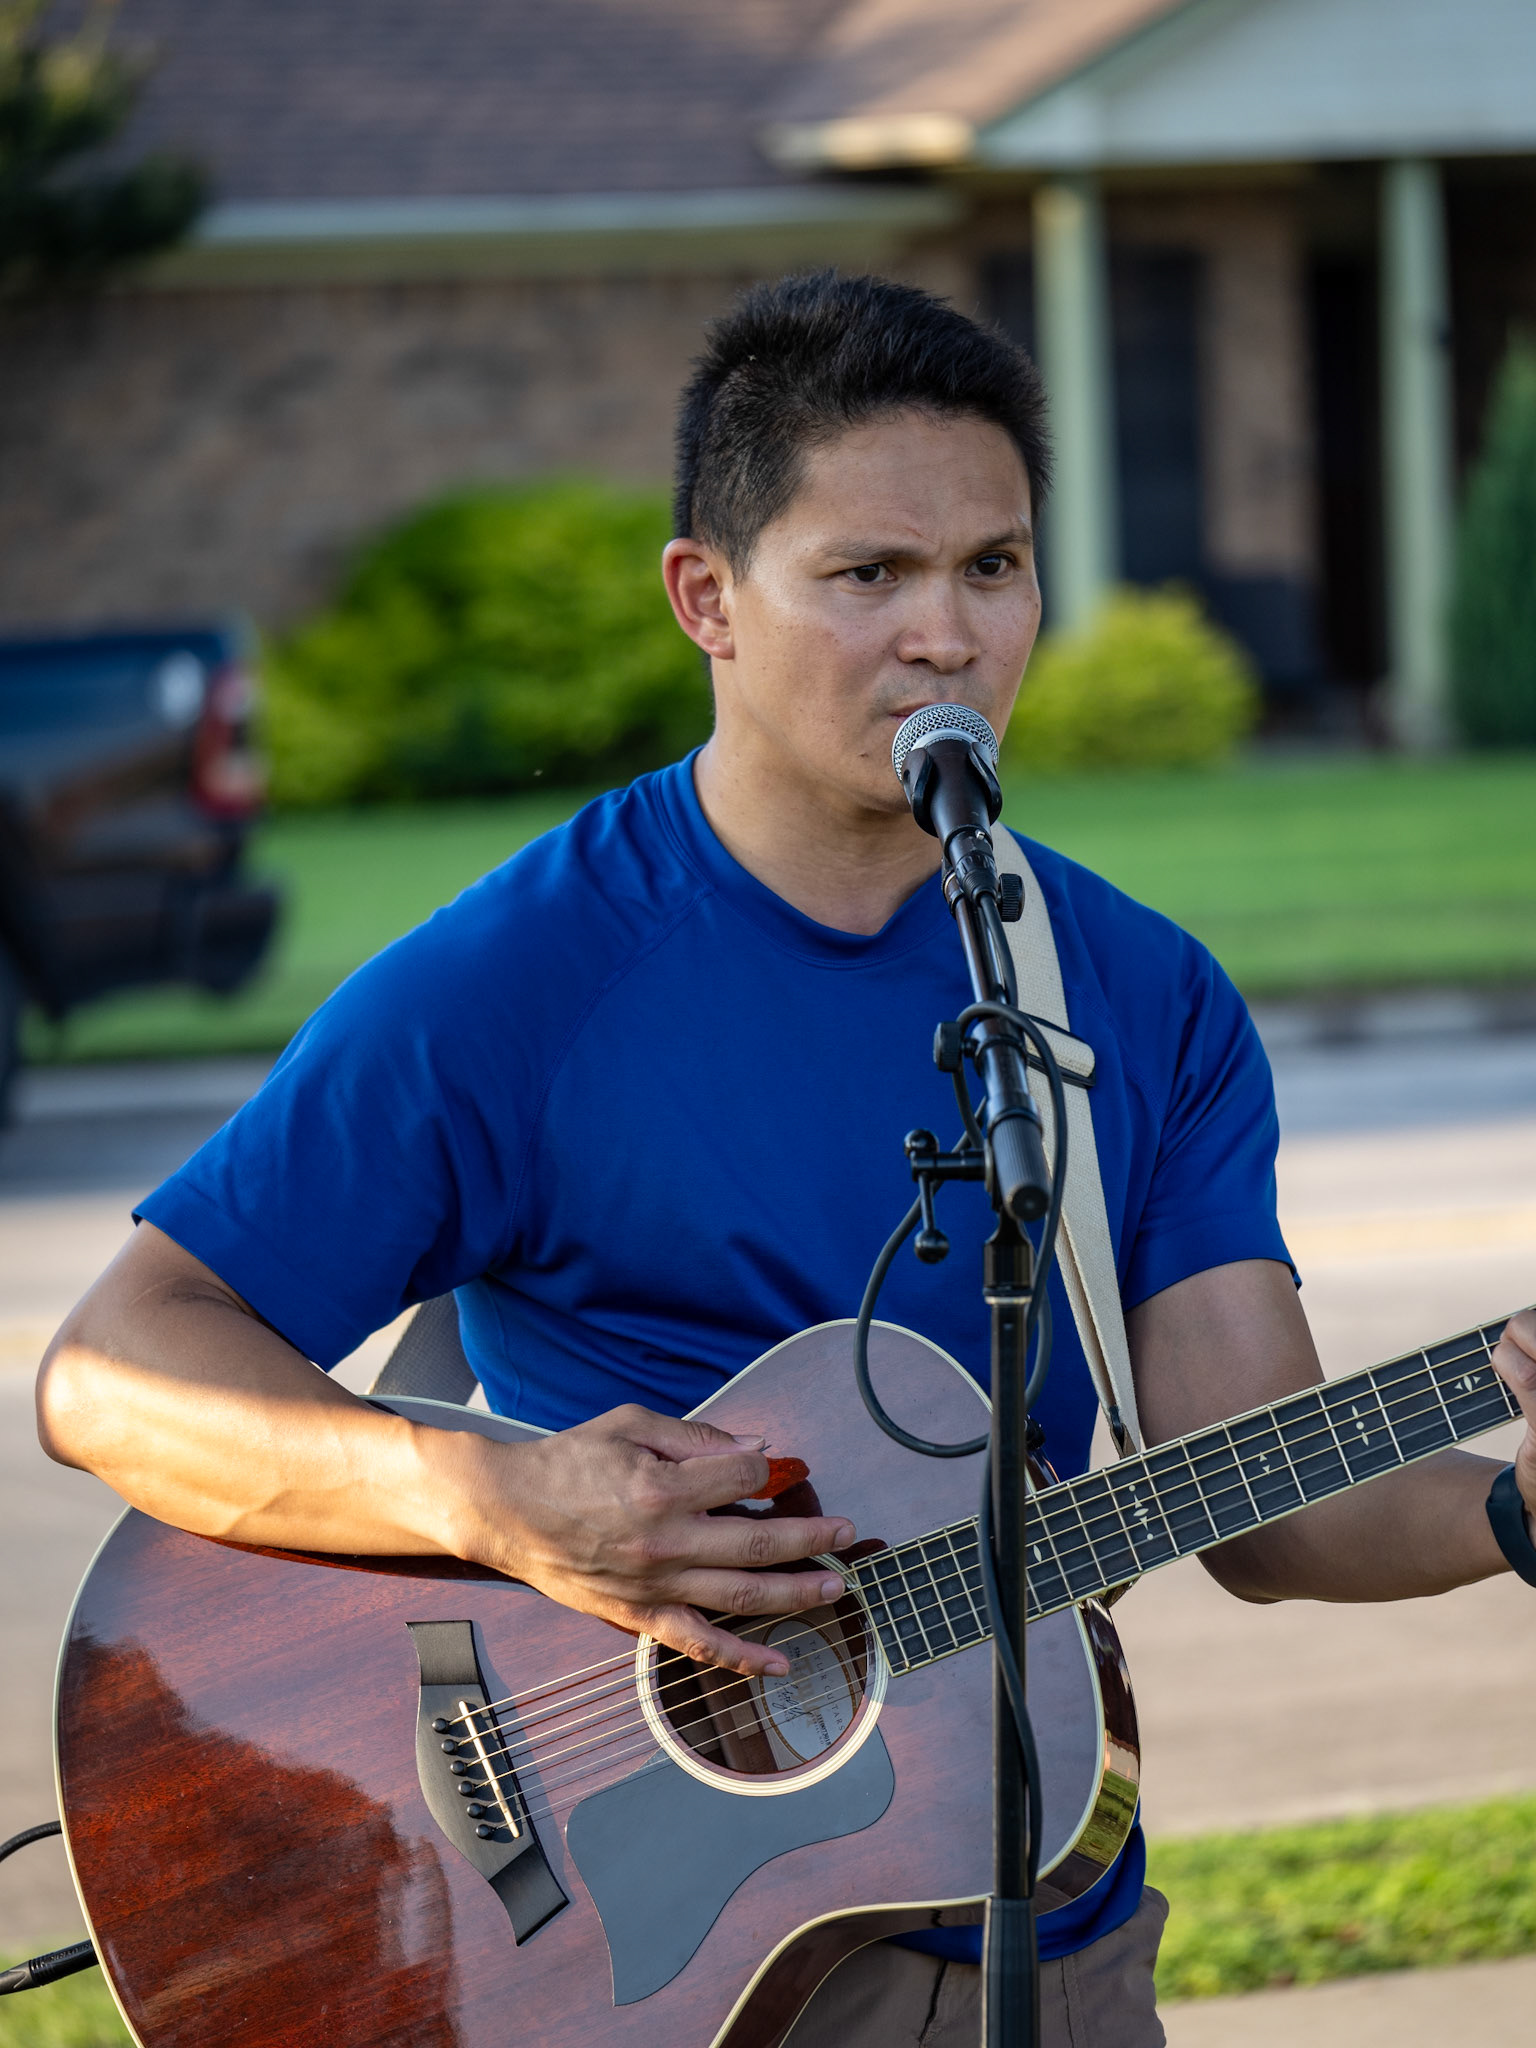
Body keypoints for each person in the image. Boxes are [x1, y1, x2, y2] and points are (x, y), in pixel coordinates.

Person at [37, 272, 1536, 2048]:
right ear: (709, 599)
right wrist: (490, 1502)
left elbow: (1262, 1502)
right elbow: (116, 1367)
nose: (948, 635)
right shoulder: (517, 985)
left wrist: (1511, 1509)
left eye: (994, 567)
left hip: (1051, 1935)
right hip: (640, 1965)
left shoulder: (1136, 996)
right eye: (868, 574)